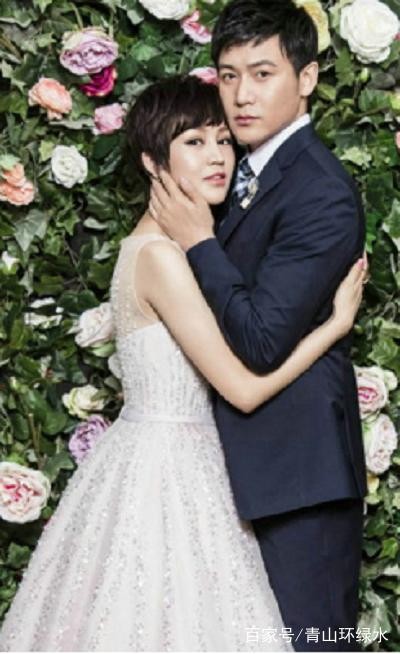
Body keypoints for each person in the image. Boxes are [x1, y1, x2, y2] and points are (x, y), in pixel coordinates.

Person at [0, 76, 366, 652]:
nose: (217, 156)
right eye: (193, 142)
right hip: (168, 473)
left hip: (174, 458)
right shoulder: (163, 259)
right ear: (152, 162)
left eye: (222, 140)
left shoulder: (168, 249)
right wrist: (334, 327)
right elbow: (242, 389)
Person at [149, 2, 367, 652]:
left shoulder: (320, 192)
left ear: (307, 78)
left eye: (263, 73)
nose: (242, 95)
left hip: (298, 476)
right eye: (228, 75)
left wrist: (198, 242)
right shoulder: (233, 168)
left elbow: (263, 341)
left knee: (313, 643)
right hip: (233, 475)